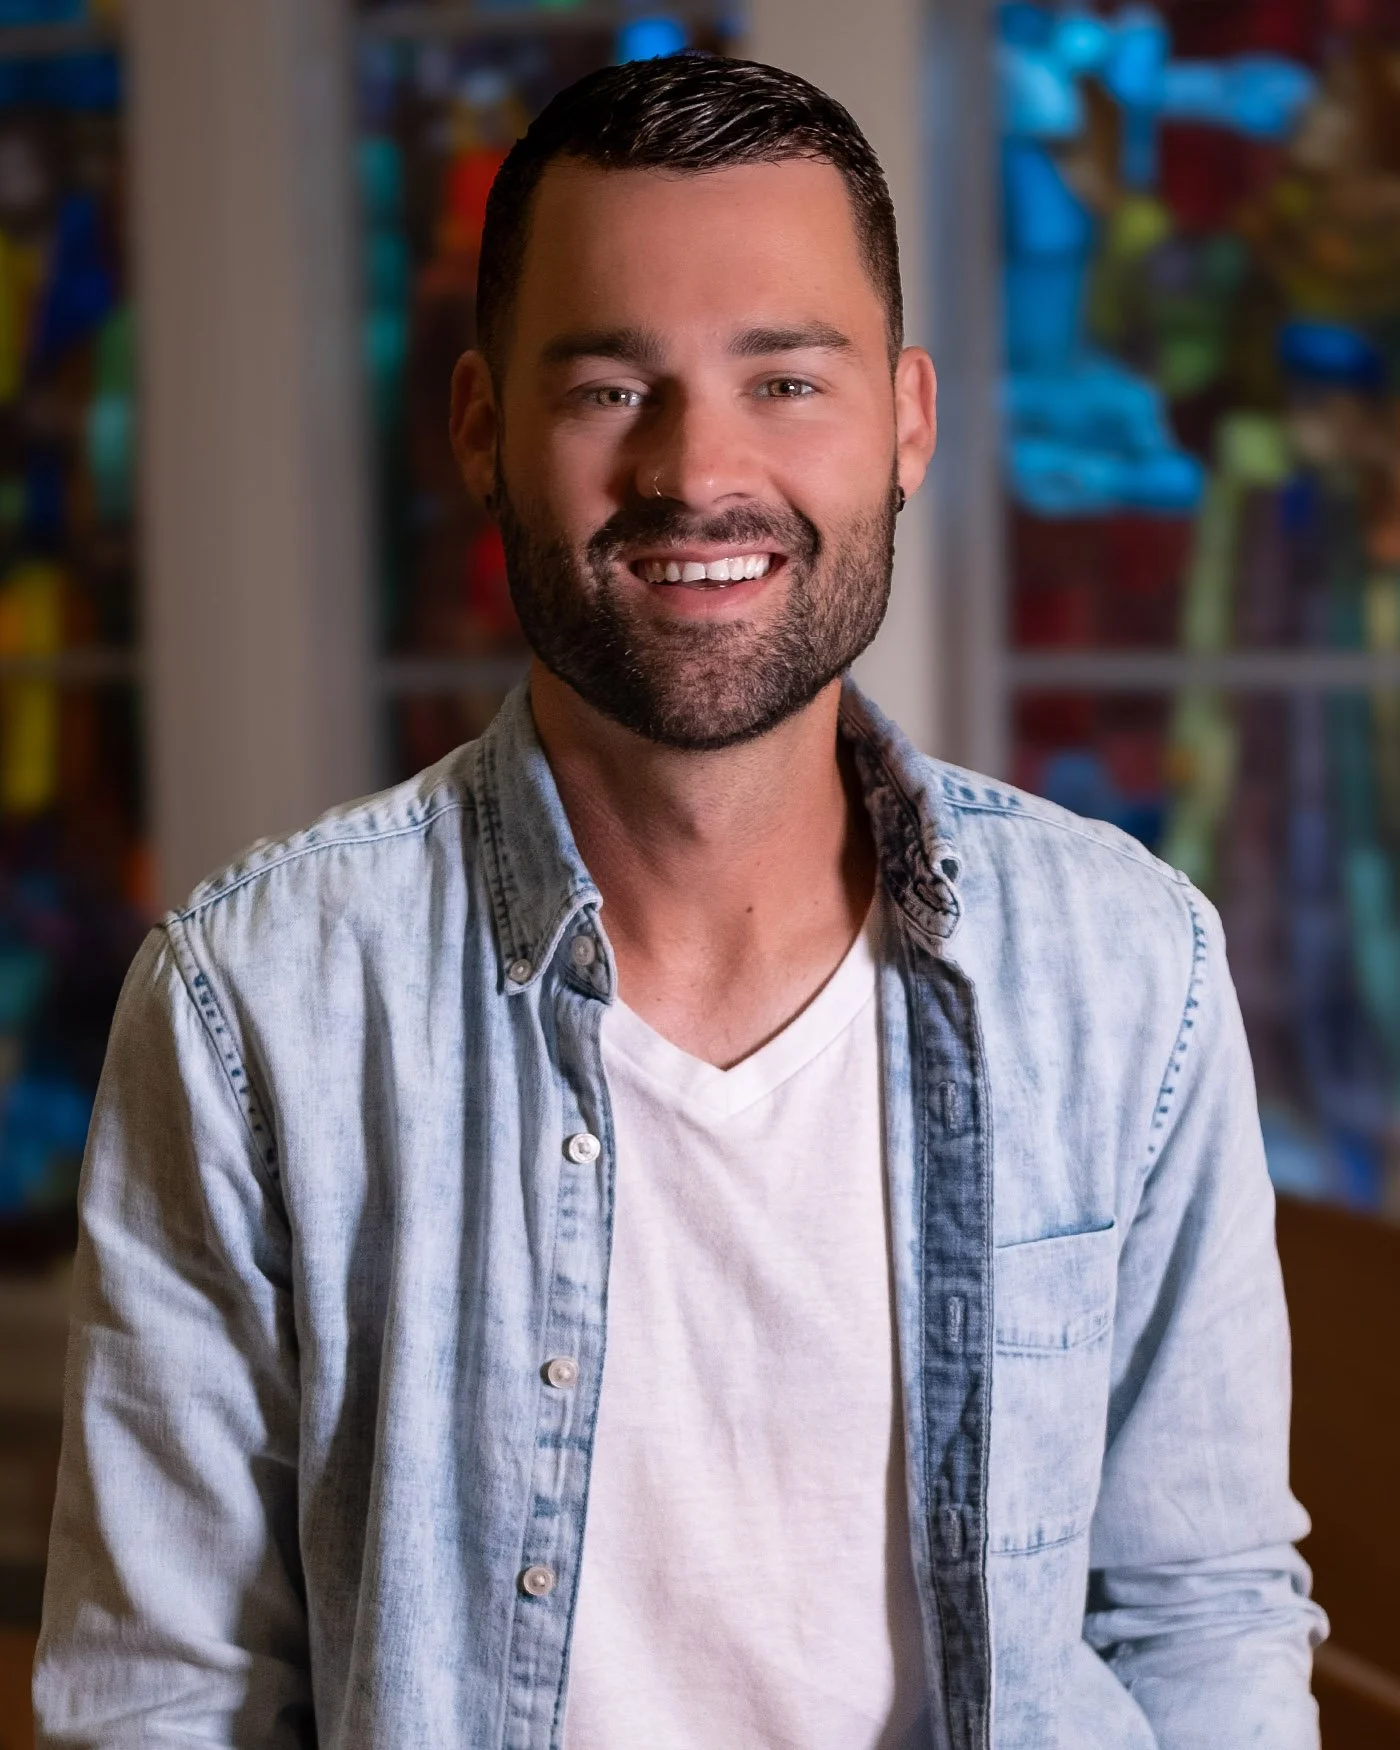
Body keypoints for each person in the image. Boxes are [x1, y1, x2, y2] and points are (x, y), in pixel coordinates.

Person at [35, 52, 1324, 1750]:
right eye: (608, 388)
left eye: (786, 380)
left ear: (908, 421)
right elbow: (163, 1696)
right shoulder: (252, 1004)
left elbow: (1202, 1609)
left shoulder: (1127, 970)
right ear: (485, 428)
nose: (695, 469)